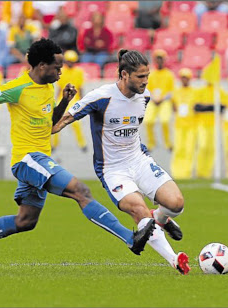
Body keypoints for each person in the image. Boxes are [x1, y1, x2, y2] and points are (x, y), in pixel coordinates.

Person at [0, 39, 156, 274]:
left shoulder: (48, 87)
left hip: (37, 160)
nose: (60, 73)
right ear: (41, 66)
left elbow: (50, 124)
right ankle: (130, 238)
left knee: (25, 221)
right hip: (27, 158)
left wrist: (65, 102)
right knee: (81, 191)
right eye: (57, 68)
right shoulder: (18, 87)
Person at [52, 49, 191, 275]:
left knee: (176, 203)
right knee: (139, 211)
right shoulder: (101, 97)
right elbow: (61, 122)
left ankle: (161, 217)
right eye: (140, 77)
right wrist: (55, 114)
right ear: (124, 75)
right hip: (113, 169)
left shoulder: (145, 97)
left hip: (139, 160)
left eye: (147, 76)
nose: (146, 81)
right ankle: (175, 260)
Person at [51, 50, 87, 152]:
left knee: (75, 122)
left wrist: (82, 101)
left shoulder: (79, 72)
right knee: (55, 120)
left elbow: (80, 88)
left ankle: (82, 144)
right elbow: (59, 88)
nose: (70, 63)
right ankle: (54, 144)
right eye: (68, 61)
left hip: (74, 97)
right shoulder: (62, 71)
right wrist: (56, 100)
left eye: (72, 61)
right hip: (62, 97)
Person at [193, 79, 226, 179]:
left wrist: (206, 107)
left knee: (211, 149)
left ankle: (207, 173)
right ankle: (200, 172)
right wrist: (212, 107)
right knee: (202, 147)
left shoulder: (219, 91)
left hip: (214, 124)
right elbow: (196, 107)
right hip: (202, 124)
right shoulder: (200, 91)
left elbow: (222, 106)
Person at [143, 49, 175, 151]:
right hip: (153, 100)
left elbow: (171, 91)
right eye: (157, 59)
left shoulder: (169, 74)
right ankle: (151, 143)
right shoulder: (151, 74)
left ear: (164, 60)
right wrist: (154, 97)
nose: (159, 61)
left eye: (161, 59)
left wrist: (162, 98)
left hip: (164, 101)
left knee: (165, 120)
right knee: (148, 121)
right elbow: (147, 89)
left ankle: (168, 143)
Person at [170, 68, 198, 179]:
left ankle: (187, 172)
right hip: (179, 125)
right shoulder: (176, 92)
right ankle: (176, 172)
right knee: (178, 149)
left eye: (186, 78)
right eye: (182, 78)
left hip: (191, 125)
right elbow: (173, 107)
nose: (184, 80)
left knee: (189, 149)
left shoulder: (195, 92)